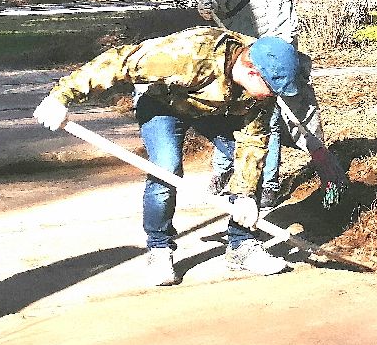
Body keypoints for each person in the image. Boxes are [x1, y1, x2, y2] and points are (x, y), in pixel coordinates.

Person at [32, 25, 301, 286]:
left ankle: (242, 244)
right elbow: (119, 61)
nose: (274, 96)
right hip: (161, 103)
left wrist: (244, 196)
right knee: (166, 169)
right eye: (272, 89)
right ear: (252, 71)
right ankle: (159, 249)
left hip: (215, 109)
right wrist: (61, 96)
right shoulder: (189, 55)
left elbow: (252, 142)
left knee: (248, 167)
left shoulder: (262, 83)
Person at [198, 0, 343, 209]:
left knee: (270, 120)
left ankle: (269, 183)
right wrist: (208, 6)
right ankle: (223, 168)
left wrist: (275, 63)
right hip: (232, 56)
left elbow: (285, 30)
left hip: (264, 58)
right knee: (227, 111)